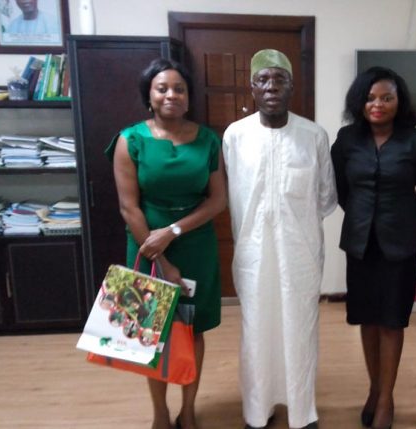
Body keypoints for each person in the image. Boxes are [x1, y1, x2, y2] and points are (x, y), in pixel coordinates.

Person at [105, 58, 227, 429]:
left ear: (188, 98)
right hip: (146, 244)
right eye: (162, 88)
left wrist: (172, 231)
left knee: (194, 330)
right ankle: (159, 413)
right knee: (150, 332)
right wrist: (161, 256)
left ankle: (188, 410)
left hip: (195, 243)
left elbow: (217, 200)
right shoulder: (131, 140)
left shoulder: (208, 140)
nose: (171, 94)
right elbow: (129, 207)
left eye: (179, 89)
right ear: (150, 97)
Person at [222, 49, 337, 429]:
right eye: (263, 80)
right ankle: (258, 411)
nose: (271, 87)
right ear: (252, 87)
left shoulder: (313, 135)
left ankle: (302, 413)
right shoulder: (235, 136)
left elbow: (325, 198)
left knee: (299, 331)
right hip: (253, 255)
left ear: (292, 85)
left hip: (300, 254)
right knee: (256, 331)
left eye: (279, 79)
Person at [330, 67, 416, 429]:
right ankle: (374, 389)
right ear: (359, 101)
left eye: (386, 97)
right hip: (360, 245)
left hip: (399, 245)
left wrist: (403, 220)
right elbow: (342, 191)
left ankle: (386, 399)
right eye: (370, 97)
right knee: (367, 320)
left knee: (392, 322)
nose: (377, 104)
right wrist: (366, 217)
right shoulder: (346, 140)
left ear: (399, 102)